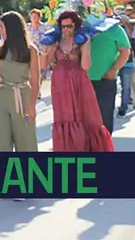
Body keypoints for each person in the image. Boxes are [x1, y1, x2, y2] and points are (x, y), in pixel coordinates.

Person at [42, 11, 113, 152]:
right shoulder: (56, 42)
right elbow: (42, 65)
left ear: (76, 26)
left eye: (69, 26)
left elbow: (85, 66)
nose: (66, 29)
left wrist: (86, 46)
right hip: (60, 85)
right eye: (63, 27)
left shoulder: (81, 40)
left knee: (85, 115)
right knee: (64, 116)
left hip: (80, 82)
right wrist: (45, 50)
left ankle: (86, 148)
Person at [0, 12, 40, 153]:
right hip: (3, 100)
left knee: (26, 143)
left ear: (11, 29)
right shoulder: (0, 49)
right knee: (1, 143)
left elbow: (35, 80)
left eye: (1, 27)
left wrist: (32, 106)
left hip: (23, 98)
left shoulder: (31, 50)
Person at [84, 16, 131, 134]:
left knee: (104, 116)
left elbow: (125, 51)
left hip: (105, 79)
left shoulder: (115, 29)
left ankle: (105, 146)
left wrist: (114, 69)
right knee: (85, 117)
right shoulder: (83, 27)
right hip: (83, 80)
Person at [117, 15, 135, 116]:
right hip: (121, 63)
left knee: (126, 87)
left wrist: (126, 23)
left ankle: (123, 109)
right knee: (125, 87)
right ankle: (123, 109)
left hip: (127, 63)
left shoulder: (126, 31)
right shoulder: (116, 31)